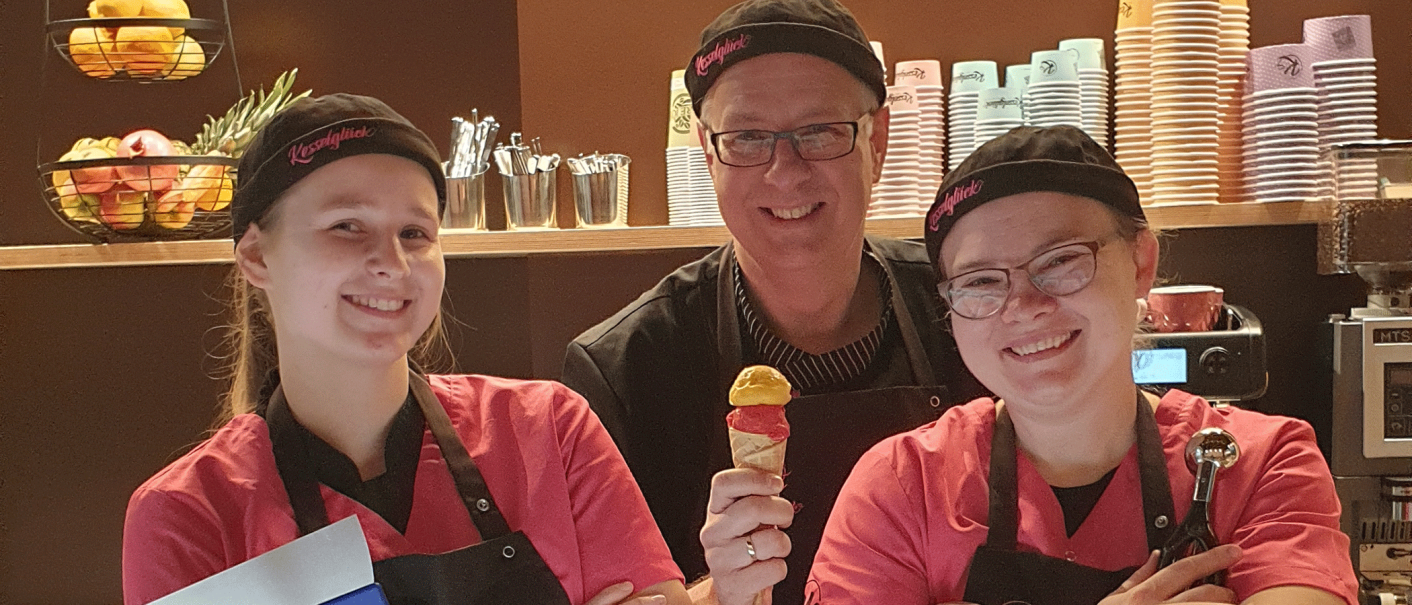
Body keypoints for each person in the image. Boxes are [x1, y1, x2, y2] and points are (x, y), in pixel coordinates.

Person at [121, 93, 689, 605]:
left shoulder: (550, 429)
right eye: (347, 225)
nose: (391, 263)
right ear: (256, 257)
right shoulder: (189, 514)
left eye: (414, 234)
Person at [805, 125, 1360, 604]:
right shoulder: (903, 483)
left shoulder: (1259, 463)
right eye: (980, 282)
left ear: (1142, 261)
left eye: (1062, 260)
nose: (1023, 306)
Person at [561, 0, 985, 603]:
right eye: (748, 138)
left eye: (820, 132)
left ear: (879, 139)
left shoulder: (973, 313)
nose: (785, 172)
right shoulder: (625, 369)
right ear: (708, 153)